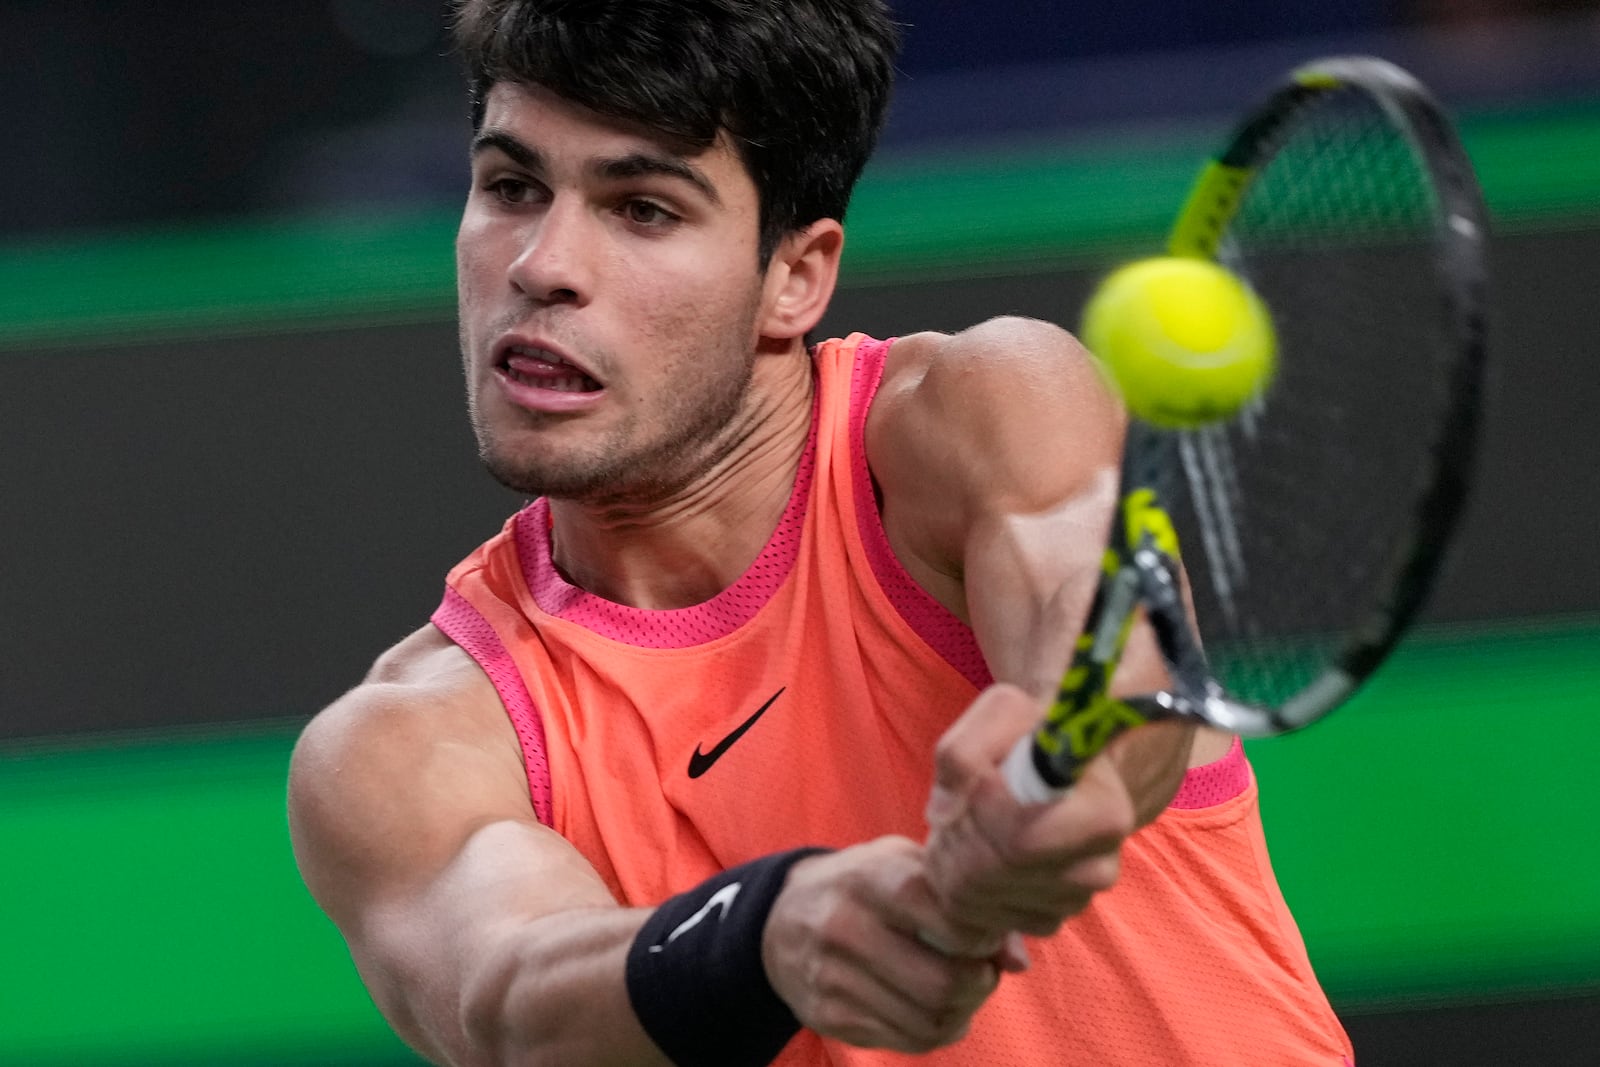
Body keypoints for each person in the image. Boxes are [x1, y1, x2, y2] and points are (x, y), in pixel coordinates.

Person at [288, 1, 1355, 1064]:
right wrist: (766, 933)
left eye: (643, 208)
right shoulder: (404, 744)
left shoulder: (976, 413)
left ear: (794, 277)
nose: (543, 263)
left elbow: (1106, 661)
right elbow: (513, 1000)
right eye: (512, 188)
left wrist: (1061, 773)